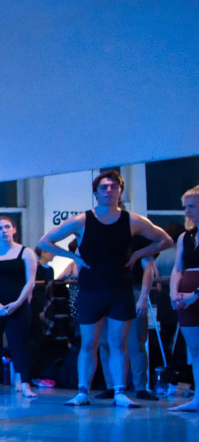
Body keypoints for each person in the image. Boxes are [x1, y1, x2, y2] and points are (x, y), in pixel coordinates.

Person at [38, 170, 172, 407]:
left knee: (119, 344)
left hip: (119, 289)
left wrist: (139, 253)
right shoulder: (82, 220)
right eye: (104, 187)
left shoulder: (132, 221)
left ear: (120, 191)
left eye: (113, 187)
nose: (108, 190)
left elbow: (165, 240)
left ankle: (120, 391)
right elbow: (44, 242)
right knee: (89, 343)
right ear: (96, 192)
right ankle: (82, 391)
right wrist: (74, 258)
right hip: (91, 290)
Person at [0, 216, 39, 397]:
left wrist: (18, 303)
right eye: (0, 229)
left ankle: (25, 383)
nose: (4, 231)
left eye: (7, 227)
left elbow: (30, 281)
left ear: (14, 229)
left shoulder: (26, 253)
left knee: (20, 343)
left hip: (17, 304)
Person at [99, 234, 159, 400]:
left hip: (132, 290)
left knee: (134, 341)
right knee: (106, 341)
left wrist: (143, 296)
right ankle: (112, 385)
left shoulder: (139, 239)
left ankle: (140, 386)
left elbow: (148, 269)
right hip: (107, 291)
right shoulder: (101, 236)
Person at [168, 186, 199, 412]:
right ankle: (198, 397)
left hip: (193, 295)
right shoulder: (185, 237)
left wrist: (194, 295)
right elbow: (177, 269)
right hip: (186, 298)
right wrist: (173, 292)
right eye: (185, 207)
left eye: (192, 206)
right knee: (195, 349)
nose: (187, 212)